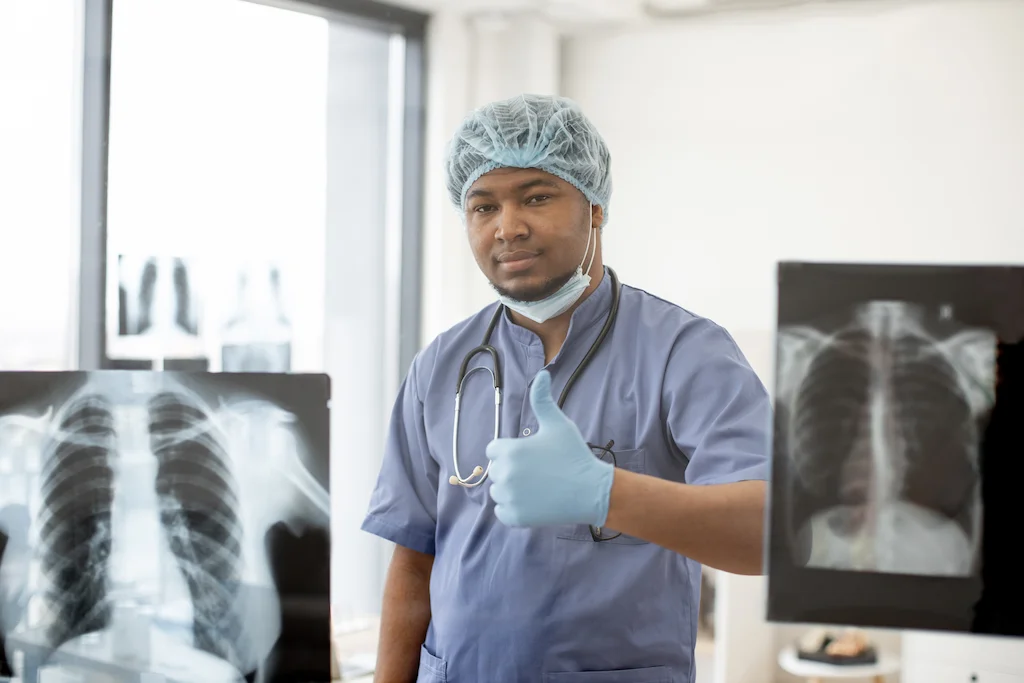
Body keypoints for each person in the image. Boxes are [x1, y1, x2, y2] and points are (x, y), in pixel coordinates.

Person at [361, 93, 772, 683]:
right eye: (483, 206)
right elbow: (413, 558)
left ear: (596, 207)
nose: (508, 227)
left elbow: (767, 534)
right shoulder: (441, 366)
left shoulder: (684, 352)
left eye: (536, 197)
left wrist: (607, 493)